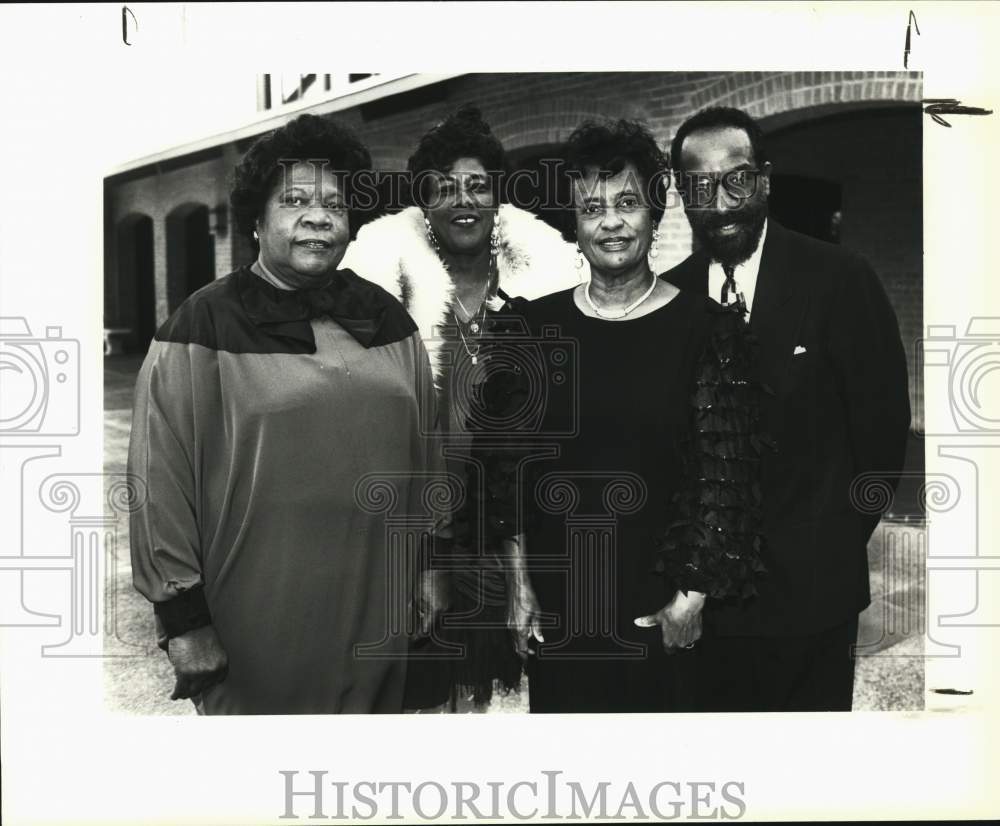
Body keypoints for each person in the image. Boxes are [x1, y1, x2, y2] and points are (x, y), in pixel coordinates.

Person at [128, 114, 446, 714]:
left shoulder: (385, 320)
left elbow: (427, 457)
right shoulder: (200, 328)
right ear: (256, 219)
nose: (318, 215)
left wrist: (430, 565)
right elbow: (157, 484)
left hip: (378, 609)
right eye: (294, 200)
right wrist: (183, 619)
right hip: (254, 621)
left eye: (334, 203)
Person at [476, 119, 766, 713]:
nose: (611, 222)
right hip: (560, 608)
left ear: (655, 215)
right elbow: (507, 476)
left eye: (628, 203)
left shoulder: (707, 330)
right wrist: (518, 585)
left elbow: (724, 476)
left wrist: (691, 597)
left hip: (659, 610)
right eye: (593, 208)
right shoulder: (532, 331)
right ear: (575, 225)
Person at [662, 106, 911, 712]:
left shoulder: (840, 279)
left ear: (765, 180)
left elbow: (882, 431)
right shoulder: (671, 297)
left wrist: (831, 538)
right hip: (707, 613)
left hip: (813, 601)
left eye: (736, 179)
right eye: (699, 185)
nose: (719, 202)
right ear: (680, 194)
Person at [341, 105, 584, 710]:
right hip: (412, 528)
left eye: (477, 184)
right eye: (443, 187)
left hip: (500, 529)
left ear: (499, 196)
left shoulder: (540, 287)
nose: (463, 200)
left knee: (477, 693)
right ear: (423, 202)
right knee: (413, 693)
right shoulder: (386, 294)